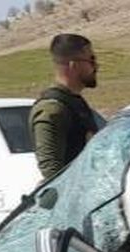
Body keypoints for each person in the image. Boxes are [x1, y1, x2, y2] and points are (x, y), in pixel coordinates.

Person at [29, 33, 102, 179]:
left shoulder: (75, 103)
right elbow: (51, 170)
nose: (96, 66)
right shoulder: (52, 109)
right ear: (73, 65)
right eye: (91, 60)